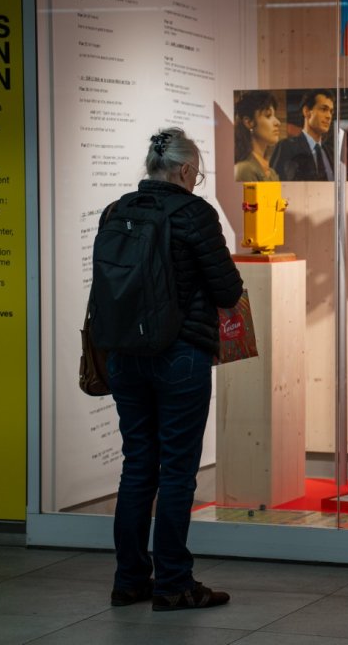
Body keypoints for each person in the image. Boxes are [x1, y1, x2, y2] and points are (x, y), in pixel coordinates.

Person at [105, 127, 244, 612]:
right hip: (180, 355)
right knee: (178, 471)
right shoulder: (194, 213)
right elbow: (227, 290)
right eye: (198, 172)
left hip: (123, 356)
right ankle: (173, 584)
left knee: (138, 465)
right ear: (186, 170)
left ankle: (129, 580)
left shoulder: (116, 211)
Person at [269, 89, 337, 181]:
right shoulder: (286, 147)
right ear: (306, 111)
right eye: (324, 109)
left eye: (331, 111)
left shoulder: (331, 152)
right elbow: (272, 186)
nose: (329, 116)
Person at [233, 91, 281, 182]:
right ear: (248, 122)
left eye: (275, 116)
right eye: (268, 116)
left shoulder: (271, 172)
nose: (277, 122)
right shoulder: (244, 170)